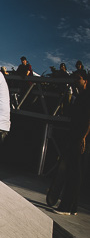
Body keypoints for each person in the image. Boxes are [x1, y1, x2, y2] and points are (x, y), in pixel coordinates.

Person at [46, 69, 90, 215]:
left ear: (85, 80)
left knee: (74, 173)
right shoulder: (80, 96)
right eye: (74, 78)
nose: (75, 81)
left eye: (78, 78)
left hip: (81, 138)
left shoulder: (87, 96)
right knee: (74, 172)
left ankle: (66, 208)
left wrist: (83, 137)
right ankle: (73, 208)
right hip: (75, 136)